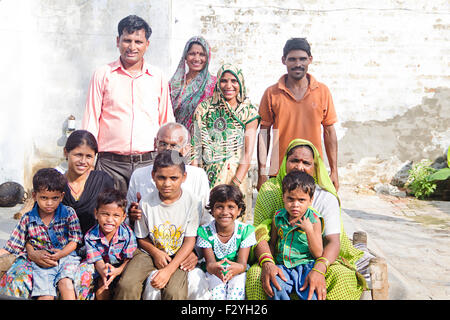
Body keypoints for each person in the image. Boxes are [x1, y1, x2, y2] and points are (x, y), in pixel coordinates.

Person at [246, 139, 366, 300]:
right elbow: (260, 234)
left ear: (315, 167)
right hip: (281, 262)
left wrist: (319, 270)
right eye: (294, 160)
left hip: (316, 260)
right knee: (256, 275)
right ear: (285, 163)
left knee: (342, 276)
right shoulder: (270, 190)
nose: (299, 166)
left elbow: (332, 241)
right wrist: (269, 263)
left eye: (306, 162)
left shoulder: (325, 197)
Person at [0, 130, 114, 300]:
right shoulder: (53, 183)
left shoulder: (103, 180)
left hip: (88, 251)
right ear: (66, 153)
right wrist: (32, 253)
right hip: (45, 250)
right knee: (17, 278)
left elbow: (112, 216)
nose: (83, 161)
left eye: (89, 156)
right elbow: (31, 227)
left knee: (78, 282)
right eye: (78, 155)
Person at [82, 15, 174, 194]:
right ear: (118, 41)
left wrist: (167, 160)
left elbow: (166, 121)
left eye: (138, 41)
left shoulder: (158, 77)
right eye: (127, 40)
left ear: (147, 44)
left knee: (144, 216)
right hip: (110, 164)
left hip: (147, 163)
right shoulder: (103, 74)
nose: (132, 47)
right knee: (109, 216)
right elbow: (91, 119)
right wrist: (87, 161)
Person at [126, 122, 212, 299]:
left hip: (183, 249)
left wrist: (196, 252)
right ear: (155, 143)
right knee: (127, 285)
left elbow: (205, 222)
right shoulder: (139, 175)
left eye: (173, 145)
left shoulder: (197, 177)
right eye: (163, 143)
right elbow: (129, 218)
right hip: (149, 246)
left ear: (186, 148)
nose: (167, 149)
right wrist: (132, 215)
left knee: (175, 291)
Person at [114, 150, 201, 300]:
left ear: (184, 177)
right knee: (127, 285)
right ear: (153, 176)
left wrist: (169, 270)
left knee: (175, 293)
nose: (167, 184)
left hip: (177, 255)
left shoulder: (192, 202)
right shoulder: (146, 202)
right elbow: (141, 238)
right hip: (147, 252)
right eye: (161, 177)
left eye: (174, 178)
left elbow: (189, 240)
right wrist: (155, 253)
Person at [257, 38, 339, 192]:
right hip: (279, 172)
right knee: (277, 215)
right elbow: (263, 134)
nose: (298, 64)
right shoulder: (271, 93)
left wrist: (334, 171)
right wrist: (262, 172)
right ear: (284, 60)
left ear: (310, 60)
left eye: (302, 59)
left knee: (311, 216)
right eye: (292, 59)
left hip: (312, 171)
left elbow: (329, 131)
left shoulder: (322, 91)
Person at [191, 63, 260, 222]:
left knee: (234, 220)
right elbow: (196, 146)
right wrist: (194, 179)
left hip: (237, 175)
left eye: (234, 81)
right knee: (208, 219)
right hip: (208, 175)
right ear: (217, 82)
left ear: (240, 83)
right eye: (224, 80)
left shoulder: (248, 111)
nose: (228, 85)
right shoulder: (205, 108)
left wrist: (235, 184)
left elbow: (248, 152)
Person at [0, 168, 83, 300]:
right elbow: (12, 246)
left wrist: (61, 254)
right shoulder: (27, 219)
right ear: (34, 196)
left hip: (66, 257)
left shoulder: (69, 213)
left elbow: (75, 240)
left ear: (61, 196)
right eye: (44, 198)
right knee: (45, 294)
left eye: (54, 198)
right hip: (41, 263)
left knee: (66, 284)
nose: (49, 203)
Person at [268, 171, 323, 300]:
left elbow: (319, 253)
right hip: (284, 267)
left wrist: (309, 230)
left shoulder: (314, 220)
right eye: (290, 199)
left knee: (312, 294)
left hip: (307, 267)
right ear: (283, 197)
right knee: (276, 286)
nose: (295, 205)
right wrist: (271, 263)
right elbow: (272, 243)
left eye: (301, 200)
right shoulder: (278, 218)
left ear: (310, 200)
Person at [197, 184, 256, 300]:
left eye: (230, 207)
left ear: (239, 210)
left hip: (237, 271)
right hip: (214, 272)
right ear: (212, 210)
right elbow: (210, 264)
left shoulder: (245, 231)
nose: (225, 212)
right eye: (219, 207)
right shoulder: (205, 232)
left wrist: (232, 271)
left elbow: (242, 264)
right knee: (216, 291)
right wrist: (217, 269)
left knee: (237, 287)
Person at [84, 189, 137, 300]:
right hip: (101, 268)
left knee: (125, 284)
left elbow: (129, 259)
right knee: (102, 287)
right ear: (96, 214)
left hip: (122, 267)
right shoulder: (90, 237)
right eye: (105, 214)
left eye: (116, 216)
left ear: (123, 218)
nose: (109, 220)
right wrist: (104, 271)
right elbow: (97, 260)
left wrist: (117, 271)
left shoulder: (127, 234)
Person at [169, 36, 217, 136]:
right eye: (192, 54)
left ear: (208, 57)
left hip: (203, 142)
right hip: (176, 140)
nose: (196, 58)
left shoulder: (214, 85)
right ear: (185, 56)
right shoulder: (174, 84)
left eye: (202, 54)